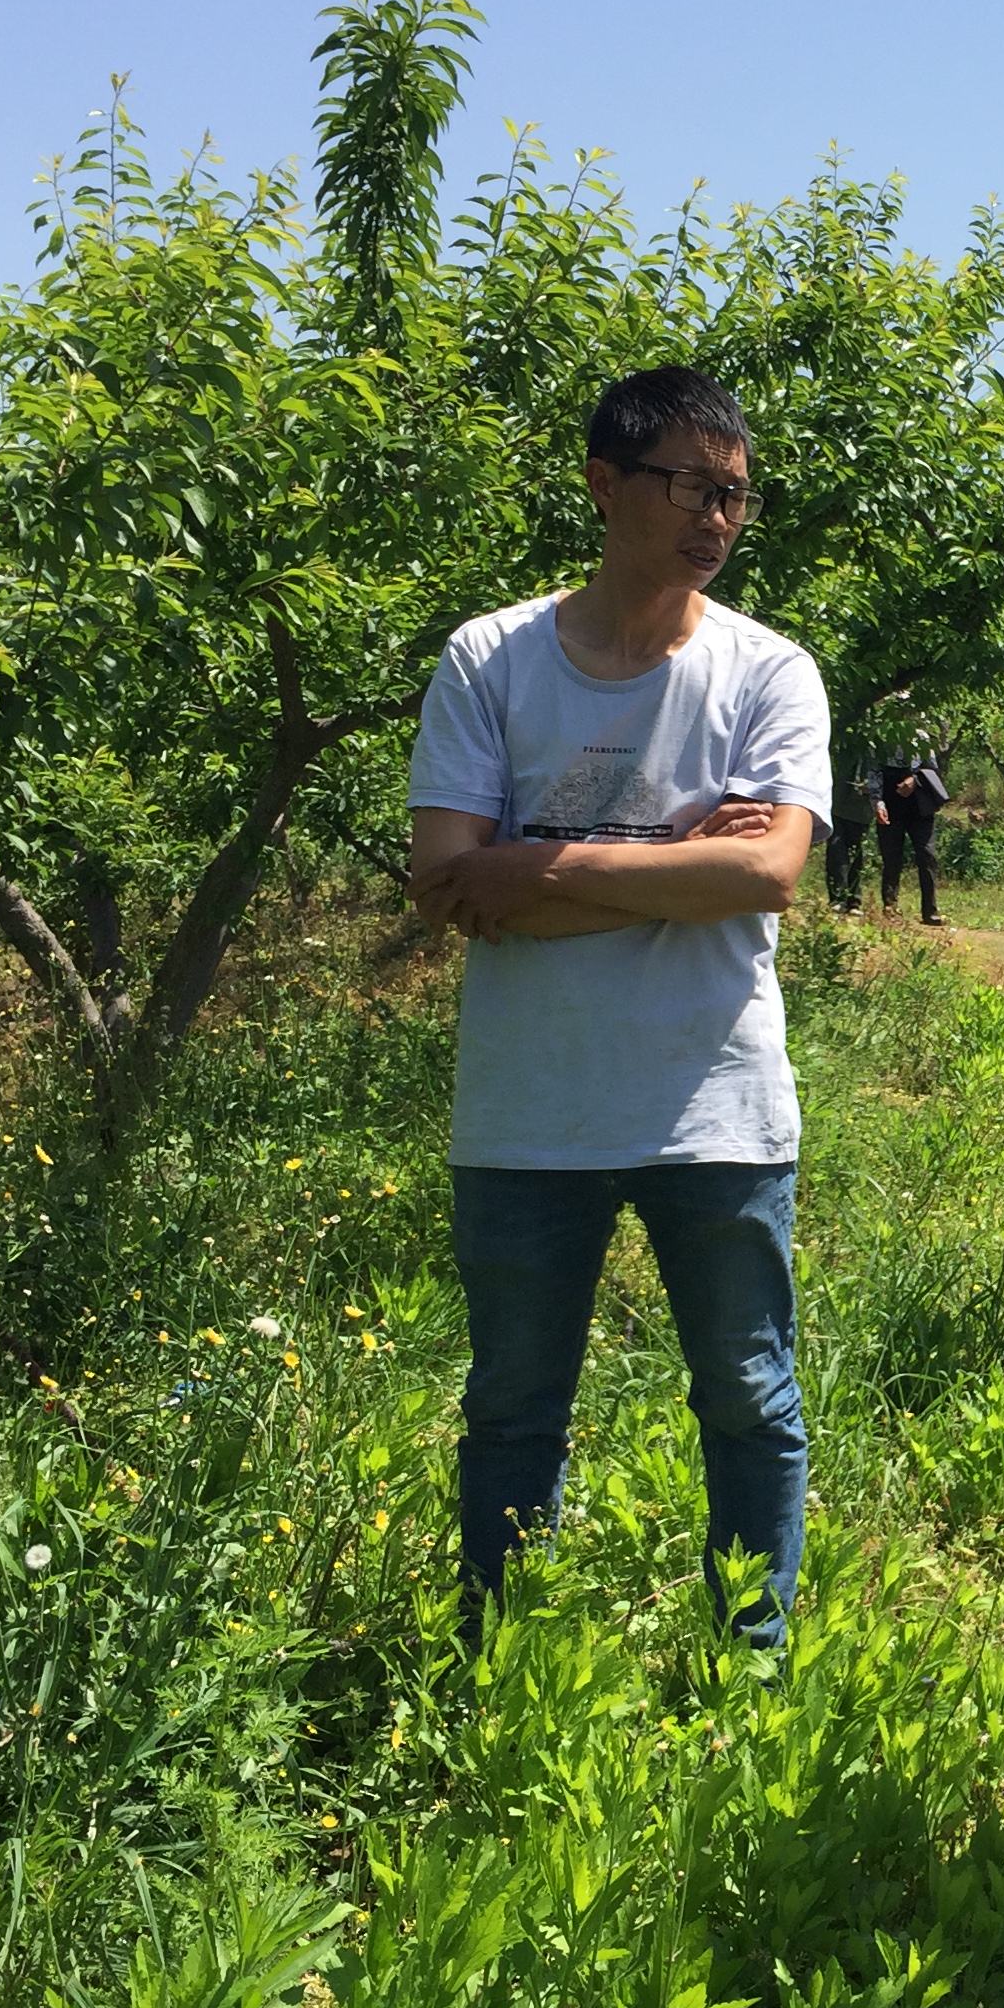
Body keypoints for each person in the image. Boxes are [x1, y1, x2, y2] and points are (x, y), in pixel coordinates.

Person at [407, 364, 831, 1645]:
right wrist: (679, 863)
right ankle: (497, 1661)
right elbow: (445, 881)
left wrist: (534, 867)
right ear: (605, 485)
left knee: (750, 1398)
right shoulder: (492, 658)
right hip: (529, 1113)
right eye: (692, 487)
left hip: (717, 1102)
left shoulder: (769, 671)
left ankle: (749, 1668)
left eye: (737, 497)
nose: (717, 518)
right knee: (515, 1406)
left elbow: (766, 871)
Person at [875, 734, 949, 925]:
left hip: (920, 806)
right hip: (891, 804)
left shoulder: (922, 738)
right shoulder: (881, 738)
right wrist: (878, 804)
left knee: (927, 856)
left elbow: (933, 769)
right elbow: (873, 773)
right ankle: (890, 908)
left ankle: (930, 911)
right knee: (891, 858)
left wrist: (915, 780)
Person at [824, 750, 873, 914]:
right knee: (836, 853)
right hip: (837, 805)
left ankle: (854, 901)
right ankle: (838, 899)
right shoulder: (843, 740)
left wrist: (872, 786)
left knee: (856, 855)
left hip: (862, 811)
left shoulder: (879, 748)